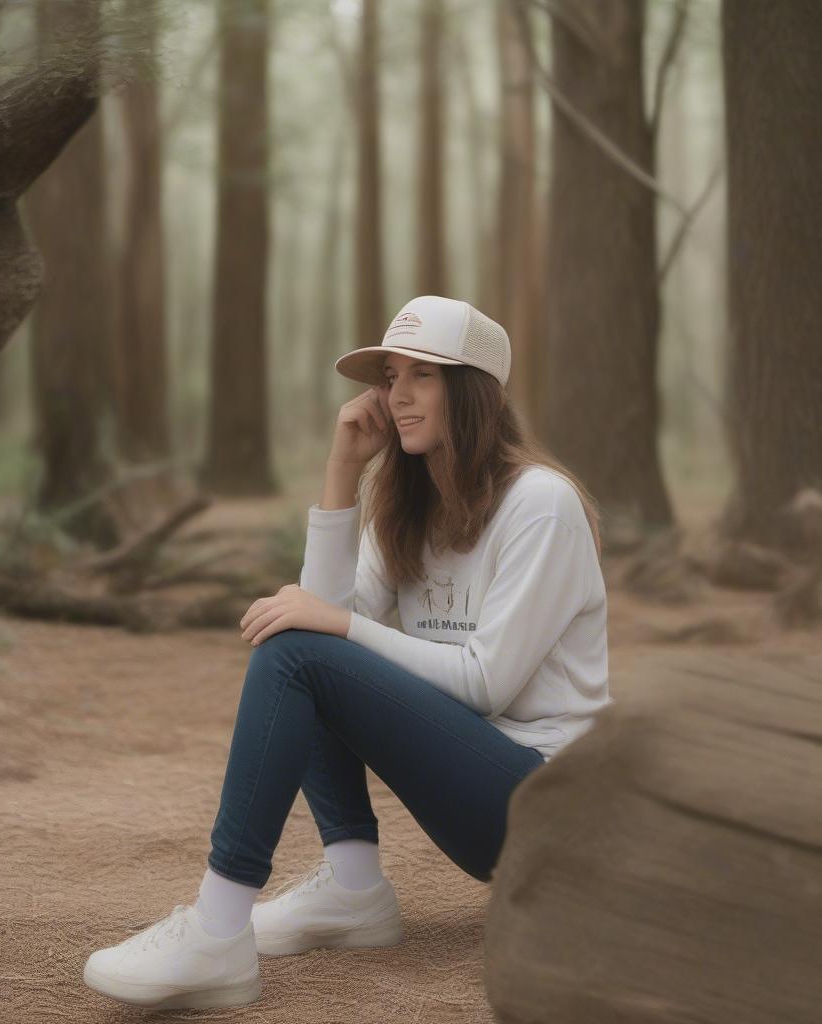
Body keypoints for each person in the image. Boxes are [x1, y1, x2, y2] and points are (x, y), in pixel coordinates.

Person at [82, 294, 611, 1011]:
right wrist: (341, 473)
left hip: (544, 806)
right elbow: (321, 616)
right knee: (296, 642)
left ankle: (217, 928)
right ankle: (355, 888)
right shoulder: (409, 506)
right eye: (391, 377)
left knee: (307, 645)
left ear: (474, 390)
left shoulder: (540, 504)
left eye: (421, 375)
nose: (397, 397)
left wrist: (337, 626)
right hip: (479, 786)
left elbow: (487, 682)